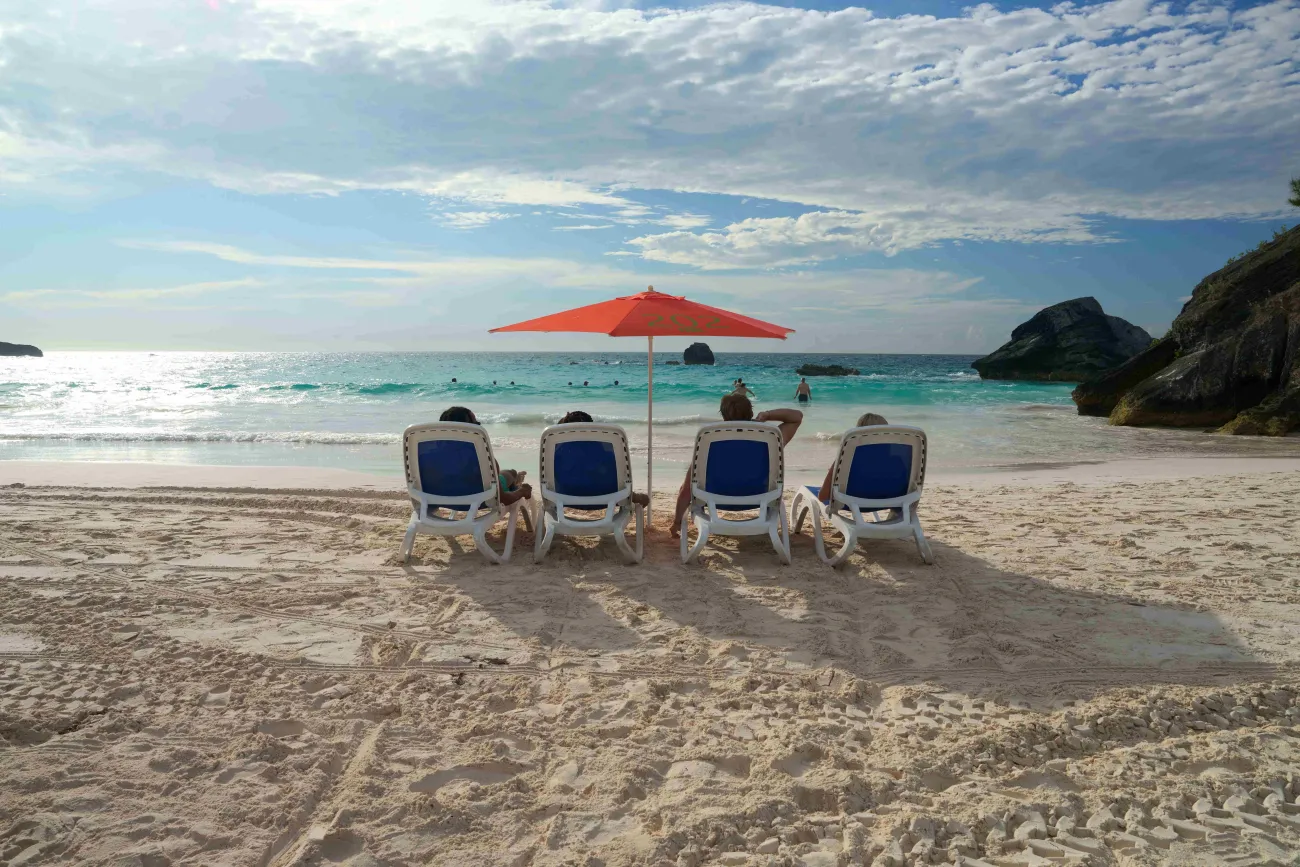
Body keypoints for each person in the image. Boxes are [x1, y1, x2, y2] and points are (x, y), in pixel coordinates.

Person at [670, 394, 802, 537]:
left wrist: (677, 522)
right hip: (761, 497)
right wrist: (767, 415)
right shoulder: (769, 437)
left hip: (714, 498)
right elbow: (796, 417)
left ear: (723, 416)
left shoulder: (710, 440)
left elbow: (686, 491)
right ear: (751, 412)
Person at [438, 406, 532, 506]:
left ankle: (515, 480)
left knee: (498, 476)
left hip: (441, 500)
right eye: (477, 423)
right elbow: (504, 499)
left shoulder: (430, 457)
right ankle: (516, 479)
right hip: (481, 501)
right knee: (510, 473)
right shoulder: (483, 458)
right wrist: (522, 491)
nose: (479, 426)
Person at [556, 410, 649, 506]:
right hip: (606, 498)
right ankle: (633, 496)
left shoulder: (558, 453)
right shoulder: (603, 453)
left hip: (564, 497)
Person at [816, 412, 892, 508]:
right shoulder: (896, 460)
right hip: (890, 503)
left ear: (858, 433)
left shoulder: (845, 459)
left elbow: (823, 496)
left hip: (849, 504)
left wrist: (833, 474)